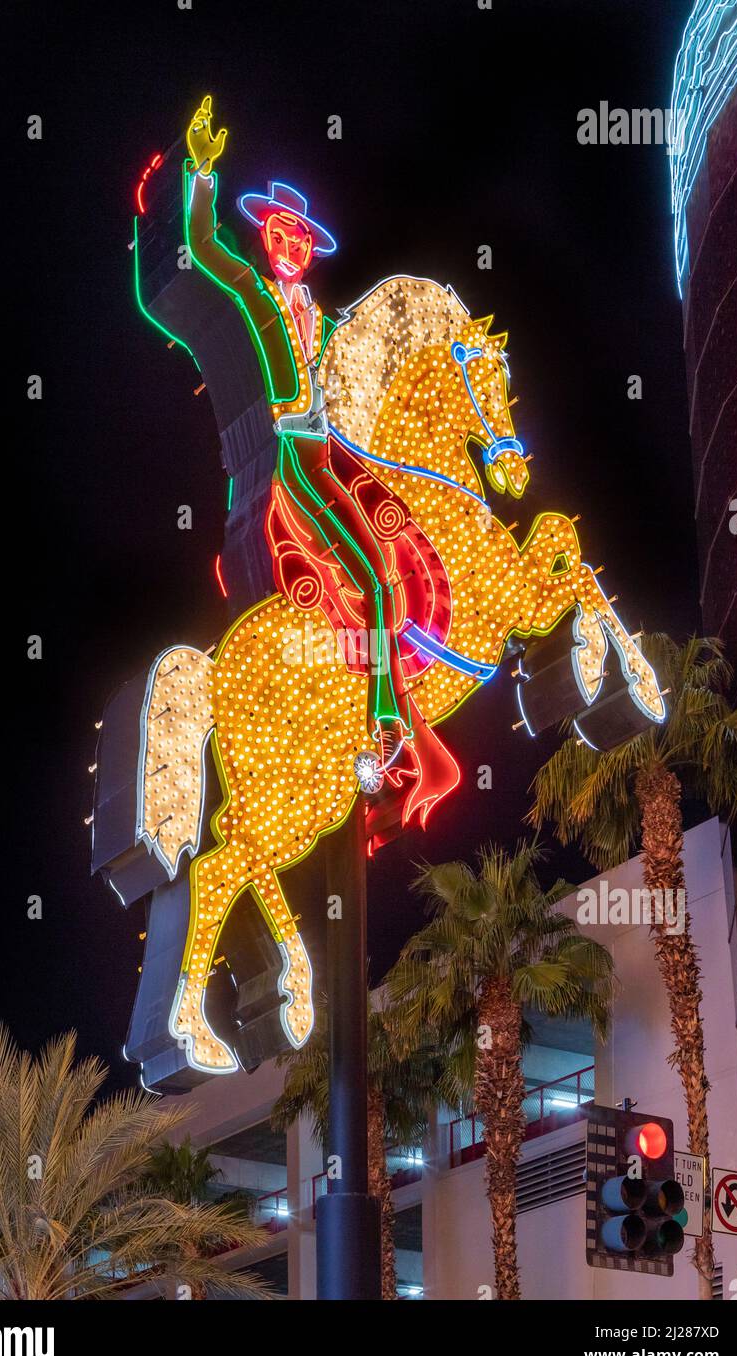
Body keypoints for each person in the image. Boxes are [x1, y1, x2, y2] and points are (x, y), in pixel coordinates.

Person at [185, 96, 459, 827]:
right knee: (372, 572)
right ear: (266, 236)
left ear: (310, 247)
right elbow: (204, 246)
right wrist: (203, 170)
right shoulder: (256, 297)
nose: (289, 243)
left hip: (336, 449)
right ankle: (386, 723)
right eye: (278, 231)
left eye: (300, 236)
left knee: (399, 543)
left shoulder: (332, 321)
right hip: (293, 456)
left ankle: (410, 663)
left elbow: (377, 364)